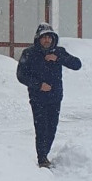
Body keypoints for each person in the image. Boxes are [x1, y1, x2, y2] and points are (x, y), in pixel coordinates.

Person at [15, 22, 82, 168]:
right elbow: (21, 75)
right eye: (44, 37)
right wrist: (38, 85)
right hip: (37, 98)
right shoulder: (29, 53)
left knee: (52, 129)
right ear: (38, 39)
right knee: (41, 129)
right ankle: (42, 158)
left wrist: (58, 58)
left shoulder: (59, 52)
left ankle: (45, 153)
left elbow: (77, 64)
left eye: (49, 37)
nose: (47, 40)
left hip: (55, 98)